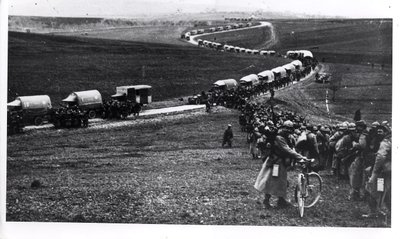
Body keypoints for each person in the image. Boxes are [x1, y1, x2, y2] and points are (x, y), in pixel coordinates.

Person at [254, 120, 310, 209]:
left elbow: (291, 148)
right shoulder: (279, 138)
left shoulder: (287, 137)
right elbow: (287, 149)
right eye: (286, 128)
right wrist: (300, 157)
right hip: (275, 162)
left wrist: (300, 157)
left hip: (281, 162)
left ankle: (281, 200)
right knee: (270, 181)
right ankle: (267, 201)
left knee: (282, 181)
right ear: (283, 128)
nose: (288, 130)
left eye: (290, 129)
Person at [364, 125, 391, 218]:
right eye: (378, 131)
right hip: (389, 171)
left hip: (381, 172)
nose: (379, 133)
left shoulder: (385, 142)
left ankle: (374, 212)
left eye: (381, 131)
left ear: (385, 132)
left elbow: (380, 157)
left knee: (372, 189)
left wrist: (374, 172)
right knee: (385, 191)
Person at [348, 120, 368, 201]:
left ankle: (355, 195)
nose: (357, 128)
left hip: (362, 157)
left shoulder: (363, 135)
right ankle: (361, 194)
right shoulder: (367, 133)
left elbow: (362, 145)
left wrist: (354, 144)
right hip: (365, 157)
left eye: (358, 126)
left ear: (361, 127)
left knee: (355, 175)